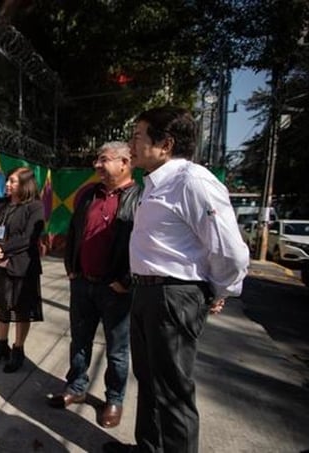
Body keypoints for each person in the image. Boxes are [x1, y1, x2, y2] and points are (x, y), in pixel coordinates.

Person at [105, 107, 250, 453]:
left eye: (138, 136)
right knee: (150, 382)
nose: (132, 144)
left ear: (166, 143)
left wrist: (217, 289)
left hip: (173, 297)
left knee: (173, 393)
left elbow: (231, 251)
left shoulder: (192, 181)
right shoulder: (155, 184)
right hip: (147, 294)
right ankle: (148, 447)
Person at [48, 141, 141, 429]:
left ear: (125, 163)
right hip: (83, 284)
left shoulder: (141, 198)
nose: (97, 165)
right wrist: (71, 267)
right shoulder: (88, 194)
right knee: (79, 339)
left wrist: (126, 280)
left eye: (104, 160)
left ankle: (114, 399)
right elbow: (75, 231)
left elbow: (143, 245)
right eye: (97, 160)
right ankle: (76, 387)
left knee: (117, 349)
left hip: (117, 289)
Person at [0, 167, 45, 373]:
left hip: (21, 266)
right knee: (1, 304)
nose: (7, 184)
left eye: (12, 181)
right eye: (8, 180)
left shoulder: (35, 207)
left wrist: (1, 249)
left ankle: (18, 349)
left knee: (21, 309)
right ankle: (1, 344)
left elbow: (28, 237)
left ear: (25, 184)